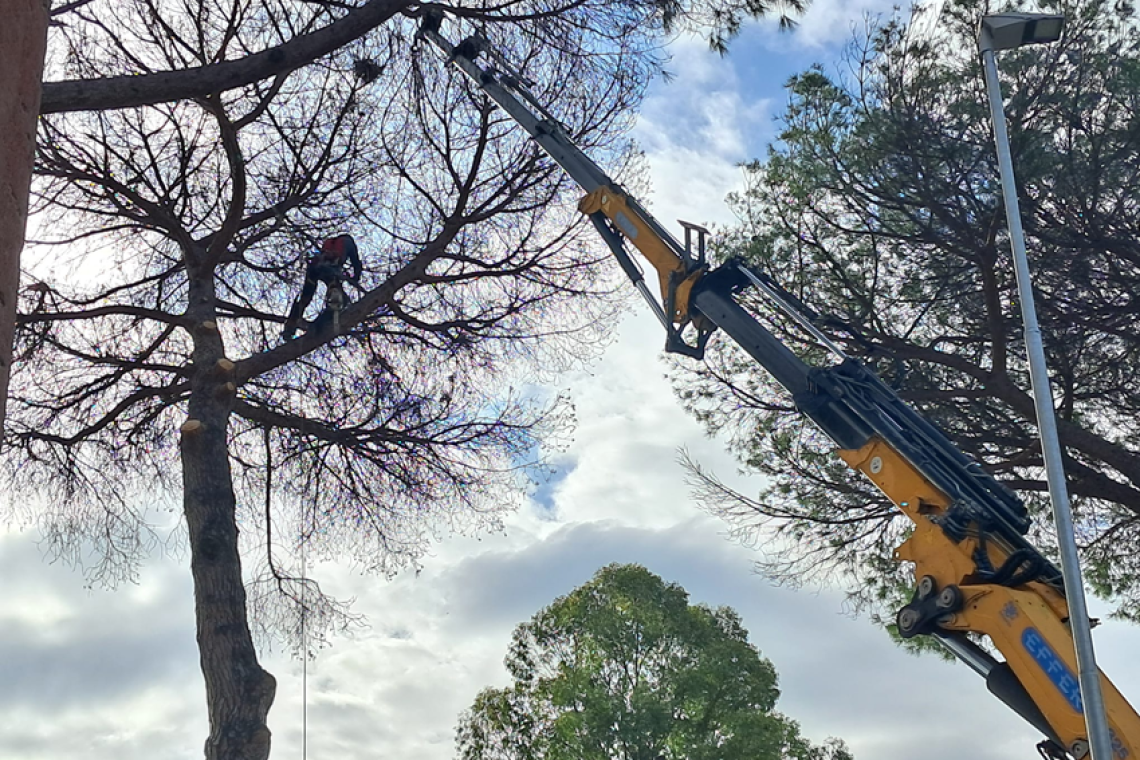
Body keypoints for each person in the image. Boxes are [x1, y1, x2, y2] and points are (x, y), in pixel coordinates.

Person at [282, 234, 362, 339]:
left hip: (314, 269)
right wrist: (355, 278)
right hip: (330, 271)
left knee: (305, 299)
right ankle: (318, 326)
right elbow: (356, 263)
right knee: (340, 301)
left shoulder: (329, 242)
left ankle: (290, 327)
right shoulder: (349, 242)